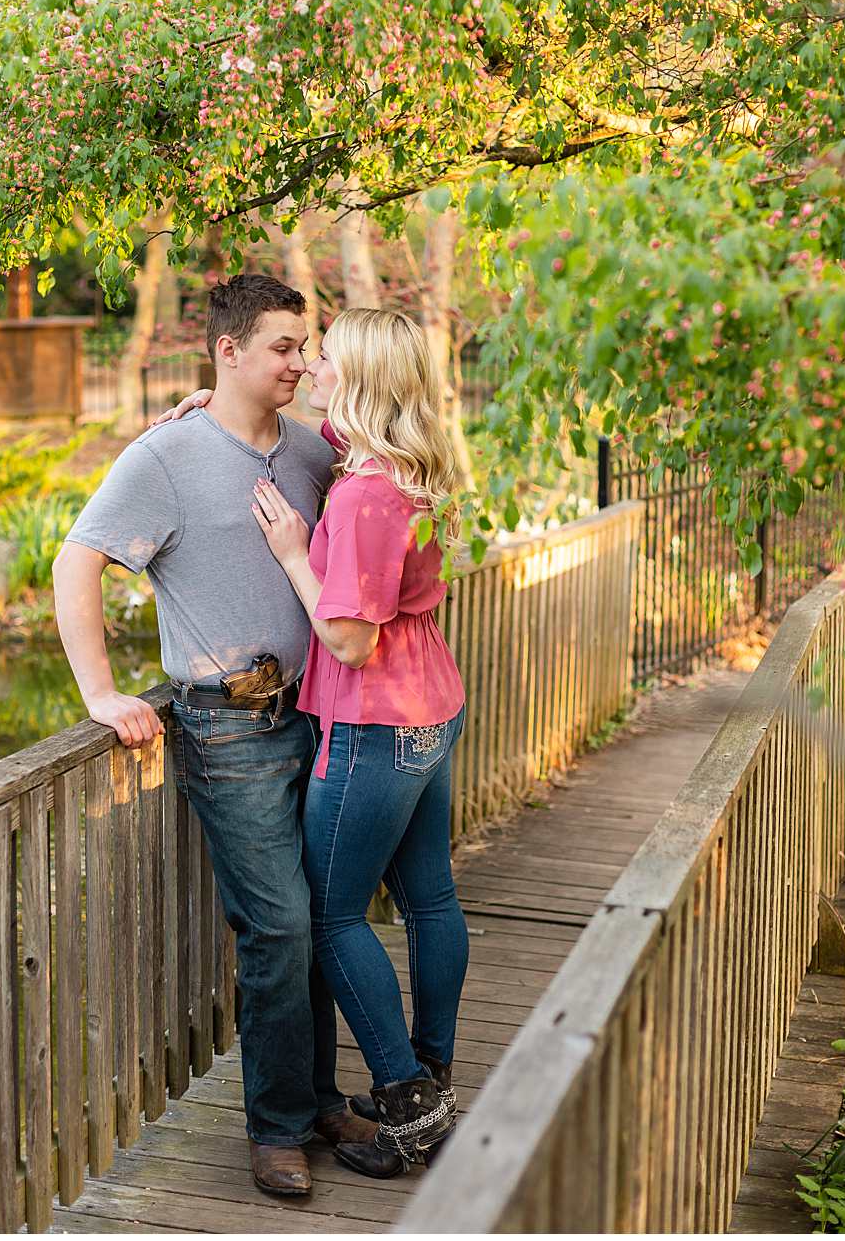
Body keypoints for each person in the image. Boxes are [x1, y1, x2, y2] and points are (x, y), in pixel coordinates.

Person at [51, 273, 378, 1199]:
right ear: (226, 351)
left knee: (317, 918)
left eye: (304, 345)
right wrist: (101, 692)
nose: (301, 361)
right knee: (275, 924)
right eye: (282, 345)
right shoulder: (165, 457)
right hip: (224, 727)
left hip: (316, 717)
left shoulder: (317, 454)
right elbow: (76, 564)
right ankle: (277, 1126)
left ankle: (316, 1101)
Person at [242, 307, 469, 1175]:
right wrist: (214, 398)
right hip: (427, 707)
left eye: (326, 358)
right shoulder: (405, 463)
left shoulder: (370, 494)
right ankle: (433, 1074)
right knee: (430, 900)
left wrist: (296, 552)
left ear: (363, 376)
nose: (310, 368)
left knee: (332, 915)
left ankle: (411, 1104)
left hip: (376, 723)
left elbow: (348, 639)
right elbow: (314, 420)